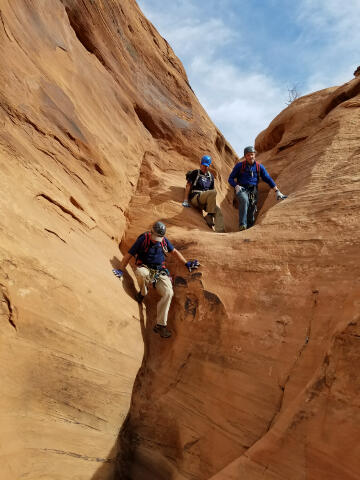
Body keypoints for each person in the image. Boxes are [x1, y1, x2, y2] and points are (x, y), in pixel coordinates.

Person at [112, 221, 200, 338]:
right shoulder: (143, 239)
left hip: (160, 272)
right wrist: (121, 269)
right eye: (155, 237)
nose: (156, 240)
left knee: (169, 293)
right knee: (140, 273)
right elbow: (129, 254)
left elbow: (174, 252)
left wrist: (186, 263)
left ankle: (160, 325)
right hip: (145, 268)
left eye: (158, 238)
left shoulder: (163, 241)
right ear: (151, 232)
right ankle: (143, 293)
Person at [228, 146, 287, 231]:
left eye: (252, 154)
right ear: (245, 156)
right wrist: (236, 186)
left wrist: (277, 191)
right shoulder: (239, 166)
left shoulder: (259, 167)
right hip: (242, 189)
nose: (250, 157)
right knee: (244, 201)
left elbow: (268, 179)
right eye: (248, 155)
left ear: (255, 155)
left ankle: (248, 229)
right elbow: (230, 178)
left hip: (253, 190)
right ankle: (242, 225)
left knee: (251, 210)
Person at [182, 155, 225, 233]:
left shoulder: (211, 177)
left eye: (207, 166)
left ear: (209, 166)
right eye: (203, 165)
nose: (205, 167)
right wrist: (185, 200)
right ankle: (209, 216)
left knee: (218, 210)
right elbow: (188, 185)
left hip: (206, 201)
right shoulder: (195, 173)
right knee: (213, 192)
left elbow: (211, 193)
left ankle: (220, 232)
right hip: (196, 197)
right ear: (200, 164)